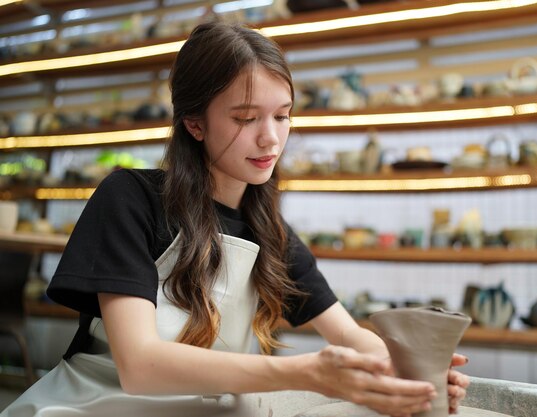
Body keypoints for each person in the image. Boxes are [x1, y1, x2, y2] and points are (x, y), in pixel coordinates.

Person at [1, 19, 469, 417]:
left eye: (282, 116)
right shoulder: (130, 199)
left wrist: (411, 375)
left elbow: (347, 332)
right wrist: (304, 372)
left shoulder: (272, 235)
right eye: (246, 119)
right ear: (195, 123)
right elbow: (138, 365)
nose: (270, 139)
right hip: (97, 406)